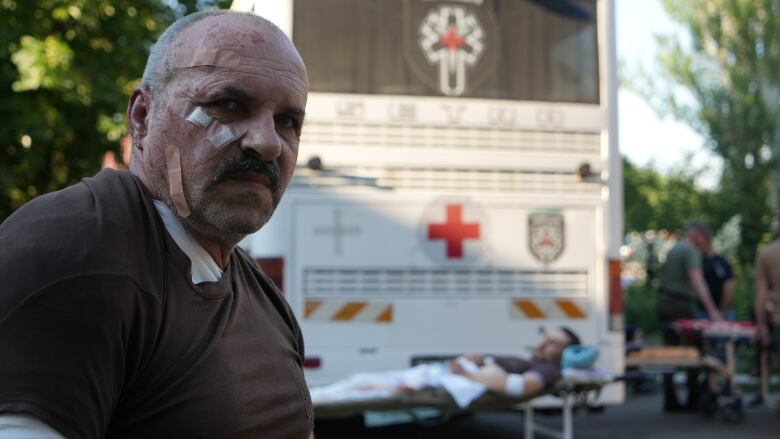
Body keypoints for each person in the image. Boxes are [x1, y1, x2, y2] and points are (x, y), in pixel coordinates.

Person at [0, 10, 312, 439]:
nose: (266, 141)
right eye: (228, 105)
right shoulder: (75, 252)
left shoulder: (257, 291)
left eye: (287, 122)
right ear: (142, 115)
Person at [657, 222, 722, 412]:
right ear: (699, 235)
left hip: (665, 302)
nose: (705, 243)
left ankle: (670, 400)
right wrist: (712, 311)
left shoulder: (674, 248)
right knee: (695, 352)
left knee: (669, 353)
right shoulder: (691, 251)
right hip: (680, 304)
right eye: (705, 238)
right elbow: (697, 280)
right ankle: (693, 398)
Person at [450, 327, 581, 398]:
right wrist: (483, 360)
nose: (543, 344)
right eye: (546, 338)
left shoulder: (549, 369)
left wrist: (467, 375)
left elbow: (522, 386)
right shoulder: (534, 363)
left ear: (566, 353)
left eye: (553, 343)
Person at [697, 233, 735, 320]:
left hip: (722, 310)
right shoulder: (699, 262)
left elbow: (729, 285)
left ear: (708, 241)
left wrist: (723, 310)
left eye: (700, 243)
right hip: (703, 311)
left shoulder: (720, 262)